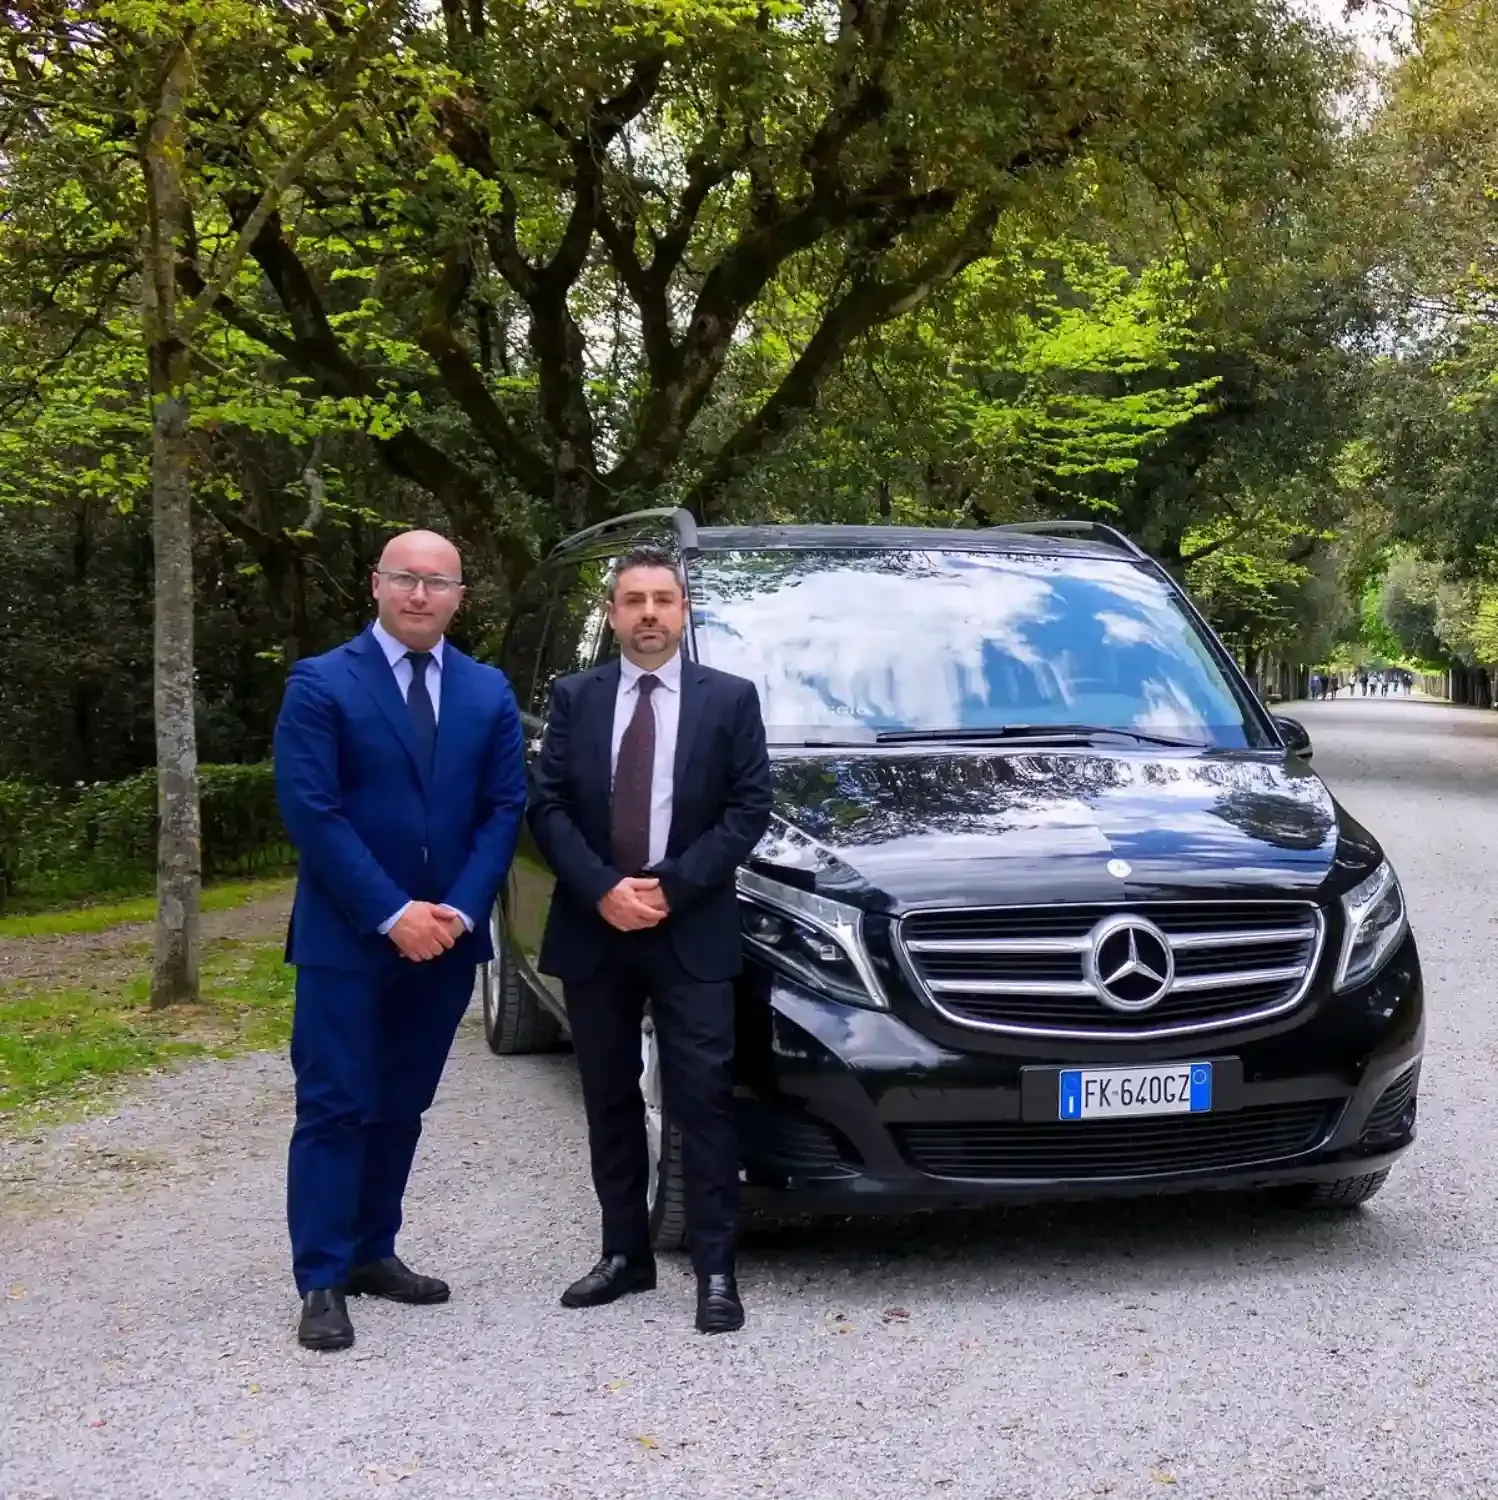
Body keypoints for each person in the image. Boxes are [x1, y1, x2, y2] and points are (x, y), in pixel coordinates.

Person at [273, 530, 526, 1352]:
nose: (420, 595)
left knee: (402, 1106)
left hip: (446, 939)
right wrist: (393, 913)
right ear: (375, 584)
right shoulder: (321, 684)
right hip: (348, 939)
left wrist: (455, 910)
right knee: (336, 1105)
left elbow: (501, 810)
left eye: (438, 582)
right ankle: (321, 1276)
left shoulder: (488, 692)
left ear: (460, 595)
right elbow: (314, 811)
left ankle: (373, 1252)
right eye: (405, 579)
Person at [527, 544, 773, 1335]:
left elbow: (748, 809)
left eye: (663, 600)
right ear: (611, 615)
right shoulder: (576, 697)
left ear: (684, 611)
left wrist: (671, 887)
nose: (648, 615)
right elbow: (549, 805)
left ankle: (715, 1272)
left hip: (689, 926)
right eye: (632, 601)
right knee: (607, 1096)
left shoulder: (730, 699)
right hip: (597, 928)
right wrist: (604, 889)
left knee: (703, 1101)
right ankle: (623, 1255)